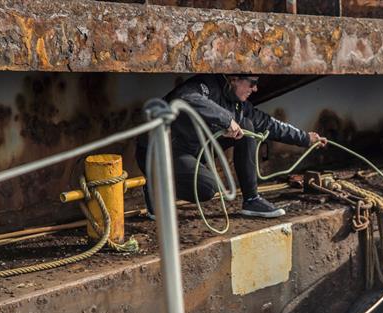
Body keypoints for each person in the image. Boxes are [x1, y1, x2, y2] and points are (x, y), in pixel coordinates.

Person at [136, 74, 327, 218]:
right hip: (160, 150)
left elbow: (269, 124)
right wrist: (226, 120)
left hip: (192, 149)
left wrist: (305, 138)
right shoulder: (208, 85)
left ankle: (252, 200)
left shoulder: (239, 106)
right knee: (206, 188)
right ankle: (155, 187)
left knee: (247, 125)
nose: (255, 89)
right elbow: (183, 97)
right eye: (252, 83)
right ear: (234, 79)